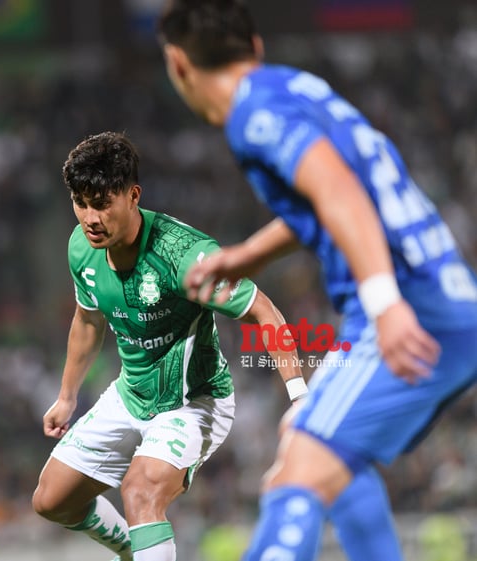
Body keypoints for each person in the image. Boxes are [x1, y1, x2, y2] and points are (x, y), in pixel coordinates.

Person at [157, 1, 477, 559]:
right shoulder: (294, 88)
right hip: (439, 295)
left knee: (296, 477)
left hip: (407, 306)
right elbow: (329, 191)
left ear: (178, 63)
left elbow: (338, 193)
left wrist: (384, 303)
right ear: (254, 47)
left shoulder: (254, 114)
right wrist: (247, 257)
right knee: (316, 450)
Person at [31, 131, 307, 561]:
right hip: (130, 395)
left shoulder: (182, 256)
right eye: (81, 203)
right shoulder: (80, 249)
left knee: (140, 490)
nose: (90, 217)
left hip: (192, 402)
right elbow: (87, 320)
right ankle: (133, 548)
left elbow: (264, 312)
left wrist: (298, 397)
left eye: (102, 202)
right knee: (51, 500)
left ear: (133, 195)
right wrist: (67, 397)